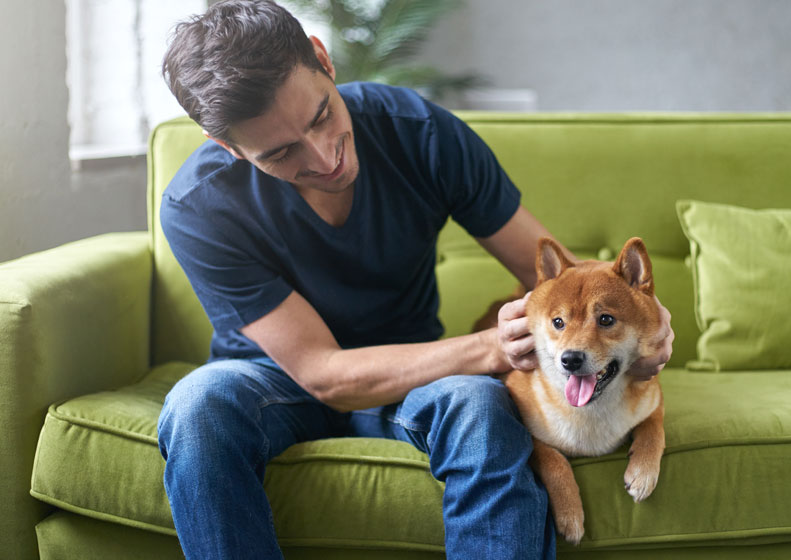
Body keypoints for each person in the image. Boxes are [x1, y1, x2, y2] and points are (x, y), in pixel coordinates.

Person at [157, 1, 674, 558]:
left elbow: (566, 281)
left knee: (482, 408)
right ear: (228, 148)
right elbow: (326, 376)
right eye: (281, 153)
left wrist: (650, 321)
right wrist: (489, 346)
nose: (323, 156)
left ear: (324, 61)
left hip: (416, 374)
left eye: (321, 116)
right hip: (272, 381)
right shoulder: (199, 204)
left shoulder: (420, 133)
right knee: (197, 406)